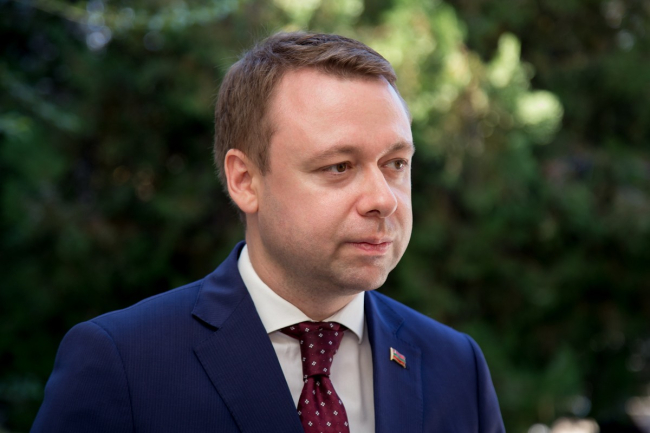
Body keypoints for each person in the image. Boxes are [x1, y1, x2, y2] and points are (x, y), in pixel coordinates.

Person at [32, 32, 505, 433]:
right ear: (245, 180)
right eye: (339, 166)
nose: (384, 199)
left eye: (396, 164)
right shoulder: (122, 364)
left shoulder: (456, 366)